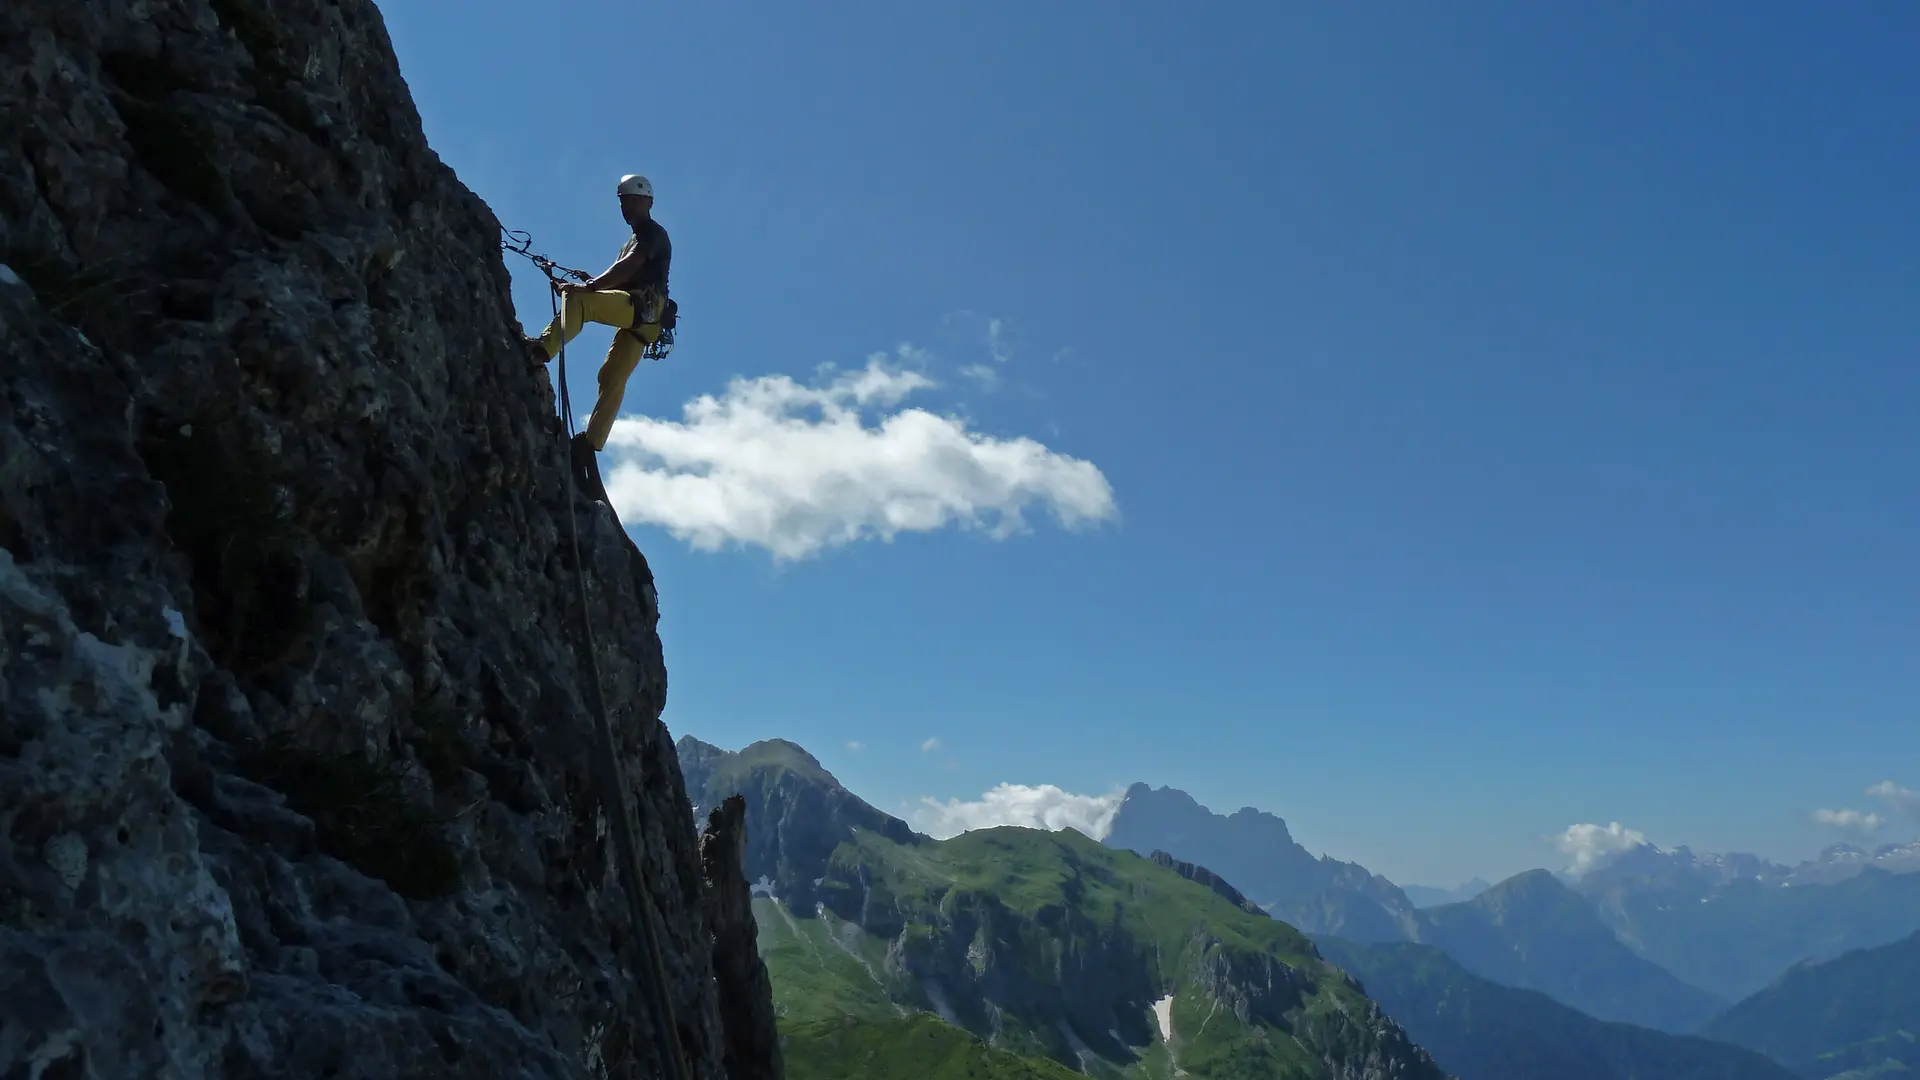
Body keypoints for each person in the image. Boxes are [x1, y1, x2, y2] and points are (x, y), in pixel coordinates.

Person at [525, 173, 673, 461]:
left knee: (581, 302)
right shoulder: (635, 239)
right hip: (644, 319)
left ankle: (542, 350)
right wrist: (588, 282)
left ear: (647, 201)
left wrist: (587, 287)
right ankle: (591, 444)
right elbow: (622, 278)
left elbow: (628, 268)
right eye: (622, 201)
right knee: (611, 377)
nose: (625, 207)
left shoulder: (652, 235)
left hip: (641, 309)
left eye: (631, 200)